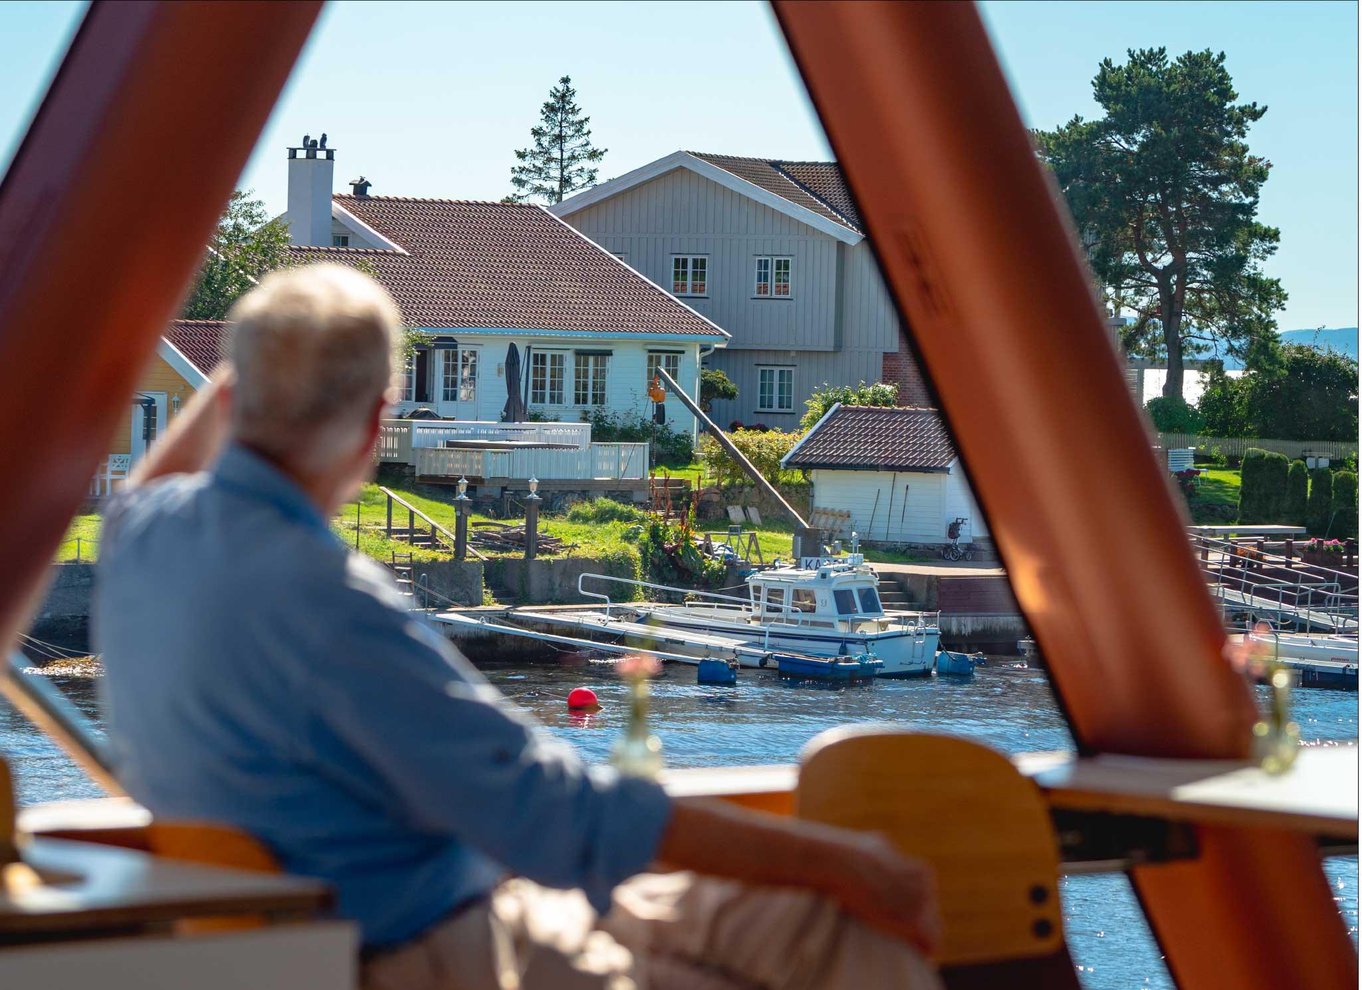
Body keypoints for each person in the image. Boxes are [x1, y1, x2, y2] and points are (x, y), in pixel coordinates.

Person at [95, 265, 942, 990]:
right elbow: (554, 815)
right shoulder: (339, 611)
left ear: (236, 394)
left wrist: (268, 360)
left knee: (795, 920)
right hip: (431, 951)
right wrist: (849, 863)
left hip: (365, 925)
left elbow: (157, 472)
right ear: (374, 429)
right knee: (843, 928)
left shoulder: (143, 538)